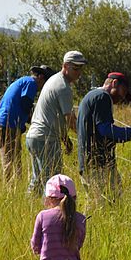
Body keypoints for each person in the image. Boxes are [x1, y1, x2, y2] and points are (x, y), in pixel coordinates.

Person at [77, 72, 131, 203]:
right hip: (98, 165)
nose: (122, 97)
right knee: (103, 205)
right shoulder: (102, 97)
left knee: (102, 204)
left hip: (90, 162)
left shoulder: (91, 95)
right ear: (114, 83)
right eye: (123, 91)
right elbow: (106, 130)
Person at [26, 51, 87, 194]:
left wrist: (65, 139)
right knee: (52, 183)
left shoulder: (54, 80)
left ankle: (29, 209)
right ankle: (51, 215)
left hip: (34, 137)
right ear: (65, 66)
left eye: (81, 68)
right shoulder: (63, 87)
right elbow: (70, 119)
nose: (79, 73)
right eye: (75, 68)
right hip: (45, 139)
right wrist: (83, 136)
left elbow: (56, 116)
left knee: (38, 180)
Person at [30, 174, 87, 260]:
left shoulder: (43, 216)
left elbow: (35, 245)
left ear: (49, 199)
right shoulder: (81, 219)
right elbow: (79, 244)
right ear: (74, 198)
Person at [0, 65, 56, 183]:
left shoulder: (23, 81)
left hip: (7, 124)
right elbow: (26, 104)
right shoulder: (31, 83)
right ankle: (9, 191)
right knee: (9, 160)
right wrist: (36, 121)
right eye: (46, 82)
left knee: (15, 159)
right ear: (41, 77)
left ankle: (17, 188)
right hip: (8, 125)